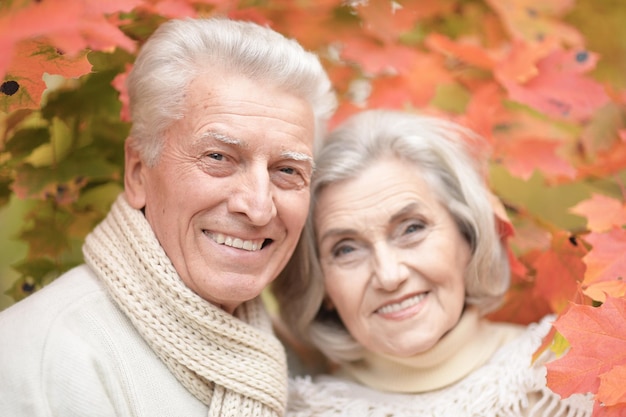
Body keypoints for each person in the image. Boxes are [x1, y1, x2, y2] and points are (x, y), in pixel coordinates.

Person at [0, 17, 336, 417]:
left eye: (287, 170)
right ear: (138, 172)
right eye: (218, 158)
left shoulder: (290, 361)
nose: (259, 206)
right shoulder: (46, 354)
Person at [273, 109, 594, 417]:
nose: (389, 275)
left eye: (412, 229)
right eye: (346, 250)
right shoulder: (300, 410)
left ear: (467, 235)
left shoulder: (573, 369)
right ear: (322, 285)